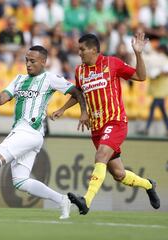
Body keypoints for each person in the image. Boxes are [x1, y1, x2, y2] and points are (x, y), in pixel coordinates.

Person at [0, 45, 90, 220]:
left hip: (29, 130)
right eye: (26, 60)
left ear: (43, 62)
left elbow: (77, 92)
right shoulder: (19, 79)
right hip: (28, 134)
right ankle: (62, 200)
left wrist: (77, 111)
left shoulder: (50, 78)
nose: (28, 64)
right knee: (20, 181)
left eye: (32, 61)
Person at [51, 33, 160, 215]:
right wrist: (63, 109)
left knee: (100, 156)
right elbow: (79, 94)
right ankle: (149, 185)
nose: (79, 53)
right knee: (118, 174)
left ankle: (86, 201)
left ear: (94, 50)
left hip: (115, 121)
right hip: (96, 128)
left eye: (82, 49)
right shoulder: (80, 71)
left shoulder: (112, 63)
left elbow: (141, 76)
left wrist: (138, 54)